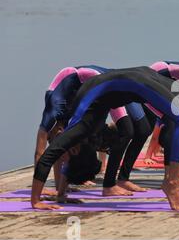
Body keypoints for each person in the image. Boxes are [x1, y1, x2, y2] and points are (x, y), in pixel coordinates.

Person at [32, 67, 179, 212]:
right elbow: (66, 160)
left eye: (64, 160)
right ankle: (175, 182)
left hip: (132, 82)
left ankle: (173, 183)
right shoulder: (83, 137)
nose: (61, 162)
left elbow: (47, 157)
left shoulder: (79, 130)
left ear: (75, 150)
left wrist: (36, 201)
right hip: (133, 79)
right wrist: (61, 195)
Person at [35, 66, 152, 196]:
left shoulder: (51, 114)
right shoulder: (67, 124)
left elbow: (40, 153)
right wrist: (59, 190)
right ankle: (110, 185)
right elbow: (60, 153)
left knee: (136, 130)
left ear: (57, 133)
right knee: (128, 131)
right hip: (95, 88)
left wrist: (41, 190)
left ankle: (115, 182)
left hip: (100, 80)